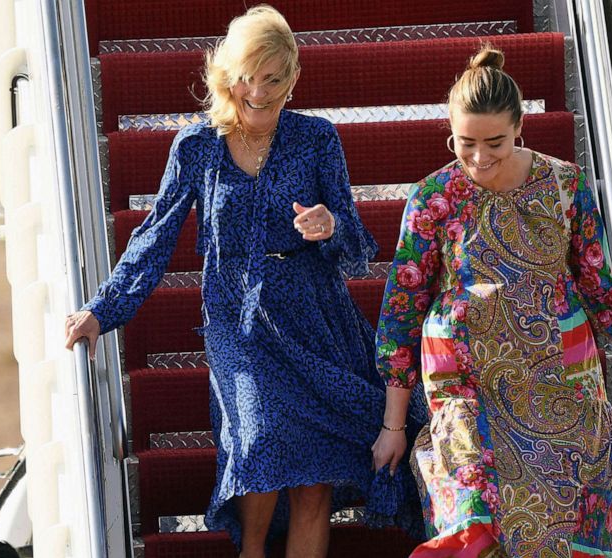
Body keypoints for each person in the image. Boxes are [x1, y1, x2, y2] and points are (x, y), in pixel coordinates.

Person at [64, 5, 422, 558]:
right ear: (226, 74)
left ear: (293, 78)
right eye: (247, 76)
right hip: (239, 322)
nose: (258, 90)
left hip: (315, 318)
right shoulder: (196, 146)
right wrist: (102, 311)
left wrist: (329, 226)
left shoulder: (317, 139)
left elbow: (354, 246)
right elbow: (154, 238)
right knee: (260, 442)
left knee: (313, 478)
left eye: (273, 78)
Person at [370, 45, 612, 557]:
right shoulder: (432, 197)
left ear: (520, 131)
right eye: (466, 143)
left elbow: (600, 289)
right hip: (468, 391)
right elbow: (402, 310)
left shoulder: (566, 187)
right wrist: (393, 426)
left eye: (496, 143)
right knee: (475, 528)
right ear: (449, 133)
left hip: (563, 390)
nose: (480, 158)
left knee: (567, 536)